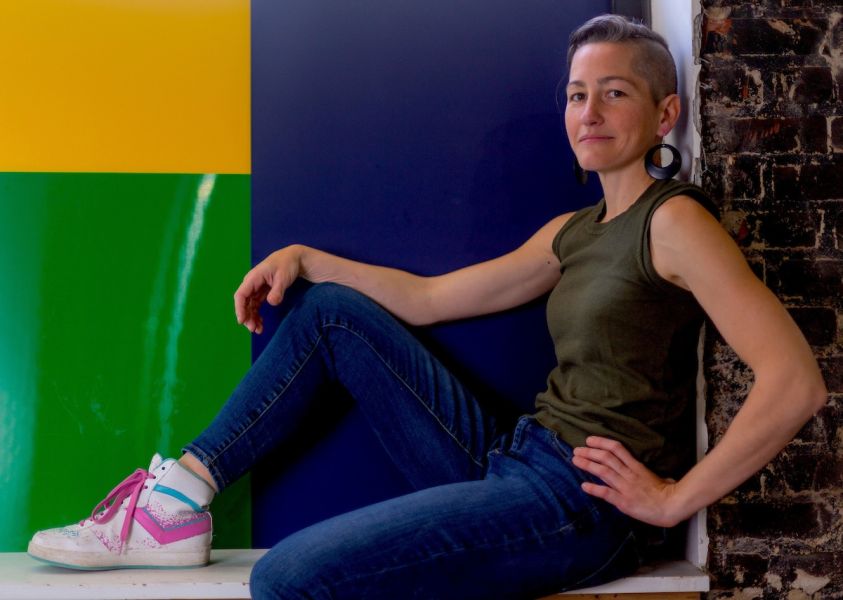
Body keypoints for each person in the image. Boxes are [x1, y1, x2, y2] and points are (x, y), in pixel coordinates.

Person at [28, 14, 826, 600]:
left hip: (576, 506)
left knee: (287, 579)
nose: (587, 111)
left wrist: (672, 499)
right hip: (513, 459)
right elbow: (430, 299)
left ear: (663, 115)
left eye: (613, 94)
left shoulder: (675, 221)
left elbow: (793, 381)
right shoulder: (572, 233)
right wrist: (307, 259)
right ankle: (177, 501)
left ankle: (174, 511)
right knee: (333, 312)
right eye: (577, 94)